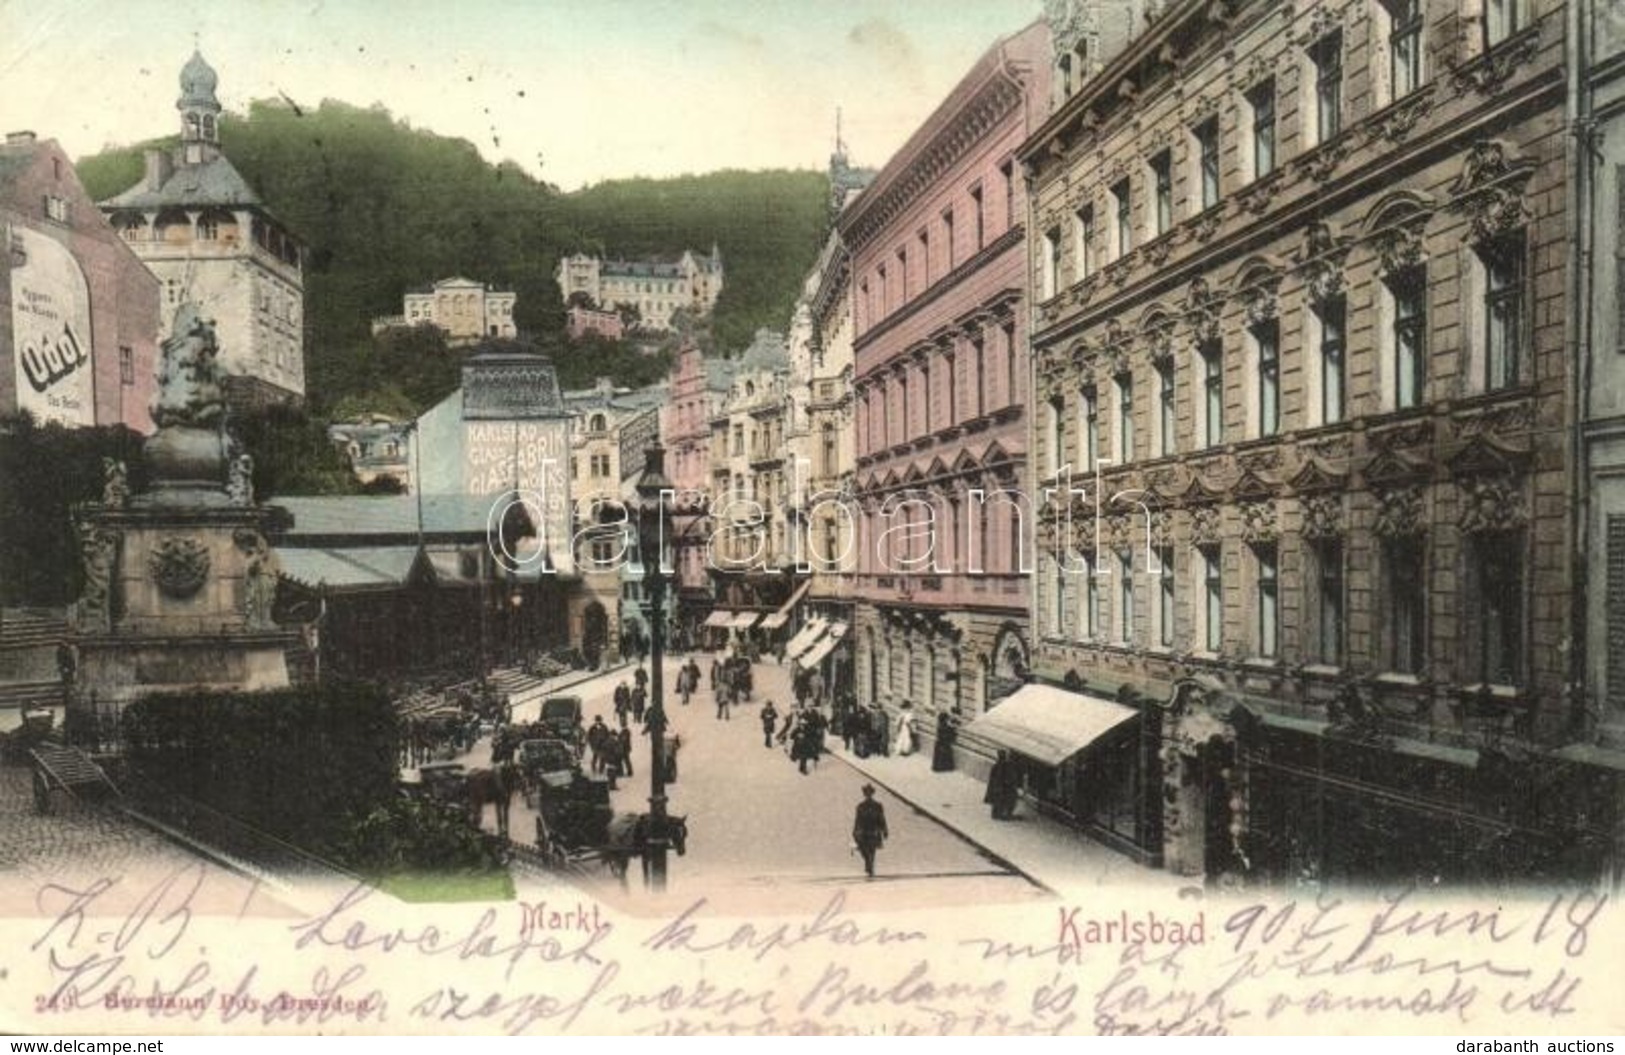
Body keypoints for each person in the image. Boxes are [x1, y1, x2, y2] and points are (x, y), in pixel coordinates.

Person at [852, 784, 888, 878]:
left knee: (872, 850)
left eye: (869, 792)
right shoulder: (860, 806)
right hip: (864, 831)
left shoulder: (878, 806)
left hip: (873, 830)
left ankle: (870, 866)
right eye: (866, 792)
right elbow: (857, 819)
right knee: (863, 849)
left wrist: (884, 830)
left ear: (872, 793)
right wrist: (855, 830)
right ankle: (868, 863)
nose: (868, 794)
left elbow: (881, 819)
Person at [985, 750, 1020, 820]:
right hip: (1001, 789)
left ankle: (998, 813)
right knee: (1006, 799)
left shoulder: (997, 766)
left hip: (998, 788)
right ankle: (1004, 814)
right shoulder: (1005, 766)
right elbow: (1008, 779)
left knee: (999, 800)